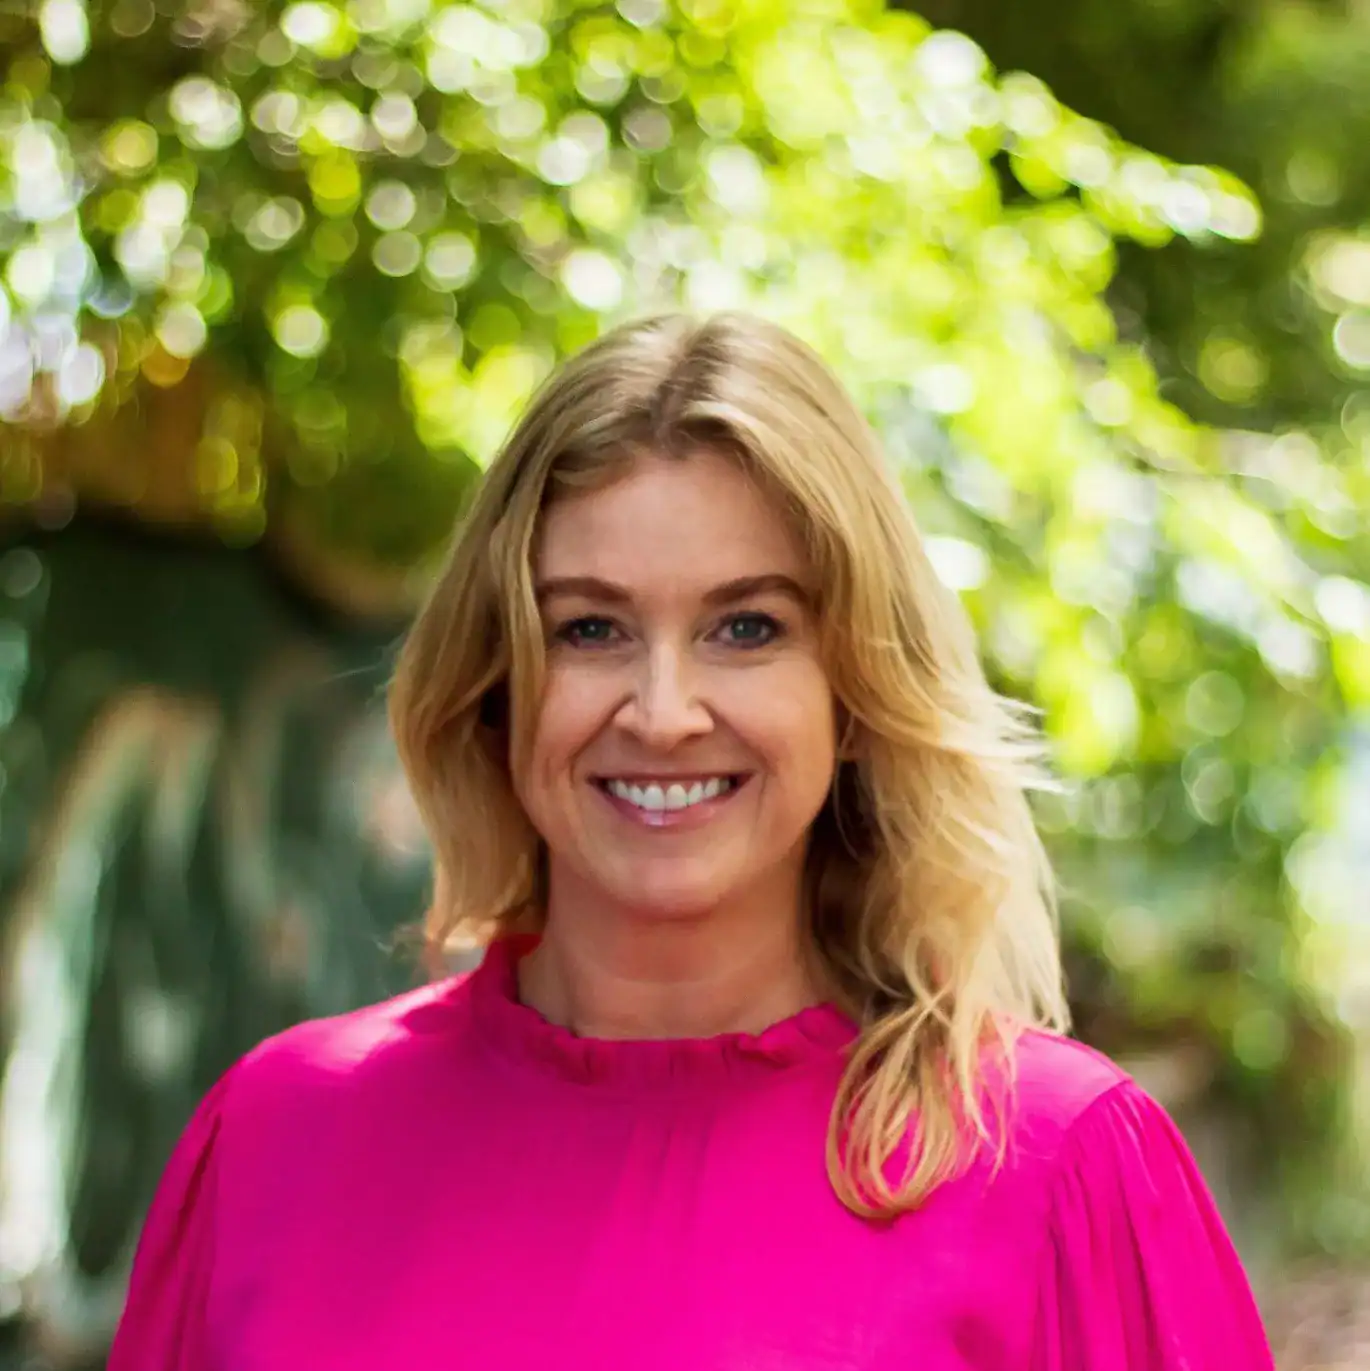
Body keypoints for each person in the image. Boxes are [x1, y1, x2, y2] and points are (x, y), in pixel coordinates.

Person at [108, 312, 1274, 1370]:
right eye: (590, 628)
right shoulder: (278, 1140)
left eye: (746, 627)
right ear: (497, 679)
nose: (662, 712)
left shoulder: (1058, 1170)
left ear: (856, 693)